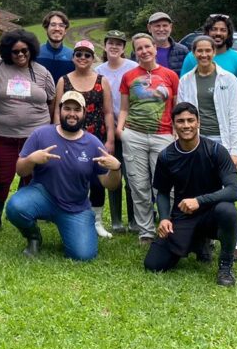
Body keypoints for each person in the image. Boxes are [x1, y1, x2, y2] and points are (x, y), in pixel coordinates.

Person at [5, 91, 123, 261]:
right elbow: (20, 171)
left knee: (83, 255)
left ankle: (81, 224)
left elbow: (110, 185)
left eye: (77, 109)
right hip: (43, 196)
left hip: (75, 206)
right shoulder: (41, 134)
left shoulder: (93, 144)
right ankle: (33, 236)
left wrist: (115, 169)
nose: (72, 114)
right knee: (15, 207)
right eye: (67, 108)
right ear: (60, 110)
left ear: (84, 113)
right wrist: (31, 159)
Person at [145, 103, 237, 287]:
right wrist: (164, 218)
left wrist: (199, 200)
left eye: (191, 120)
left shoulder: (215, 150)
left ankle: (226, 266)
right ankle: (198, 243)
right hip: (184, 215)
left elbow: (234, 191)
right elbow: (163, 192)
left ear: (199, 123)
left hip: (213, 212)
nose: (186, 125)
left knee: (228, 211)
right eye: (180, 121)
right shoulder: (166, 156)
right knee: (153, 264)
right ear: (173, 125)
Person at [178, 35, 237, 260]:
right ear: (193, 53)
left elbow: (236, 115)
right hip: (196, 141)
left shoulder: (229, 79)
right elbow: (181, 114)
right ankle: (202, 242)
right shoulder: (186, 80)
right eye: (199, 51)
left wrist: (235, 149)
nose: (204, 55)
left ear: (214, 52)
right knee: (196, 190)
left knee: (224, 192)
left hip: (222, 141)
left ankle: (234, 242)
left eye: (208, 51)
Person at [0, 28, 56, 232]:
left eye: (24, 50)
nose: (20, 55)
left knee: (32, 177)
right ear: (8, 52)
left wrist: (48, 128)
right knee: (3, 177)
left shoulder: (42, 72)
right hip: (3, 135)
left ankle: (28, 213)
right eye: (15, 51)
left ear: (31, 49)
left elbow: (52, 101)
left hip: (35, 136)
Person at [117, 33, 179, 245]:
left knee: (165, 186)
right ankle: (146, 231)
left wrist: (175, 133)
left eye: (147, 47)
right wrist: (120, 130)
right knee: (138, 184)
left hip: (163, 136)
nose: (144, 51)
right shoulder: (129, 76)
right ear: (135, 52)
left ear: (154, 47)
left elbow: (176, 107)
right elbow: (124, 108)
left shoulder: (170, 75)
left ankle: (167, 224)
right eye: (139, 48)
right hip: (134, 135)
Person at [53, 39, 115, 239]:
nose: (82, 58)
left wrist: (110, 139)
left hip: (96, 137)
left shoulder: (101, 80)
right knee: (70, 176)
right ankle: (66, 215)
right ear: (73, 57)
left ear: (93, 58)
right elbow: (57, 110)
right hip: (69, 138)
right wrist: (55, 135)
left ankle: (96, 220)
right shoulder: (64, 80)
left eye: (87, 55)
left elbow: (107, 112)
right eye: (78, 54)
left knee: (98, 180)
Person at [95, 29, 138, 233]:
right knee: (113, 171)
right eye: (110, 43)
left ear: (124, 48)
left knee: (132, 175)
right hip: (106, 129)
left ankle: (133, 219)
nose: (114, 46)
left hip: (130, 127)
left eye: (118, 43)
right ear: (105, 45)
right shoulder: (98, 70)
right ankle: (116, 220)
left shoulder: (133, 68)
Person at [179, 14, 237, 92]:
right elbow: (183, 89)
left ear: (229, 34)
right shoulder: (192, 57)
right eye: (214, 29)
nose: (218, 33)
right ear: (207, 32)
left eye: (223, 30)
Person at [36, 10, 75, 88]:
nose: (57, 28)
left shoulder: (73, 55)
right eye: (53, 25)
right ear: (46, 28)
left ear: (65, 30)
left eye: (61, 25)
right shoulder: (35, 53)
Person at [143, 11, 188, 76]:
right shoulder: (141, 52)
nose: (161, 29)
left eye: (165, 25)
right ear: (149, 28)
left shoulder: (182, 51)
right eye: (157, 26)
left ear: (170, 27)